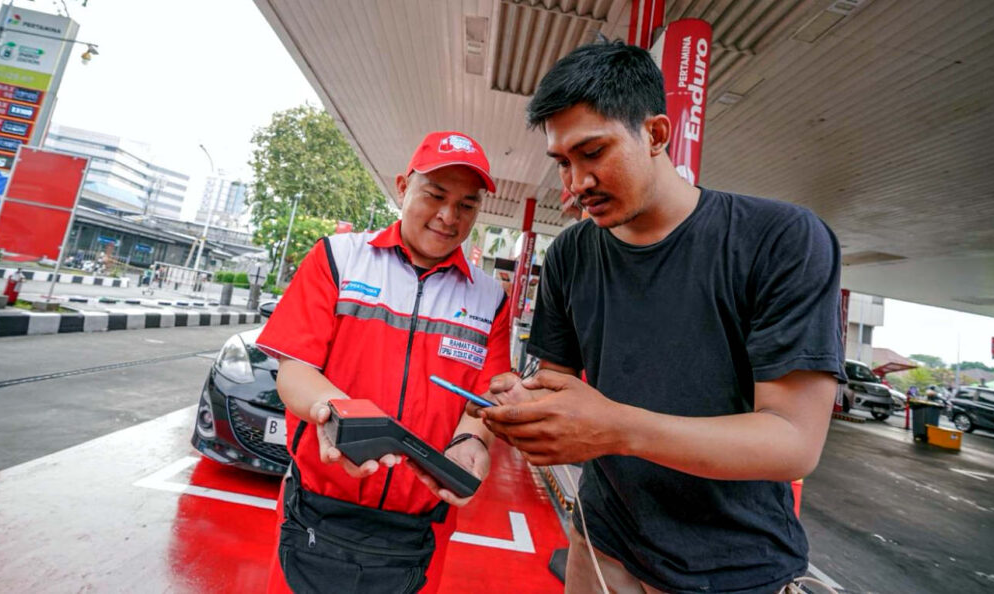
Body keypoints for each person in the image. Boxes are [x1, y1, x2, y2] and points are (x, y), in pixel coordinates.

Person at [476, 41, 846, 594]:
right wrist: (524, 403)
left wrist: (616, 429)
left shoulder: (779, 240)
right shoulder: (572, 255)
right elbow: (554, 384)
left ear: (655, 135)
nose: (575, 185)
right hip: (601, 545)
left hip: (731, 568)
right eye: (563, 163)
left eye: (593, 152)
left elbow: (793, 442)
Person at [255, 131, 511, 594]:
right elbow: (294, 371)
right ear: (402, 186)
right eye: (435, 195)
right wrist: (338, 414)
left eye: (466, 206)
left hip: (419, 528)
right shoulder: (338, 259)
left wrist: (473, 441)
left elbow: (483, 400)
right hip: (316, 508)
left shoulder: (490, 298)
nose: (448, 216)